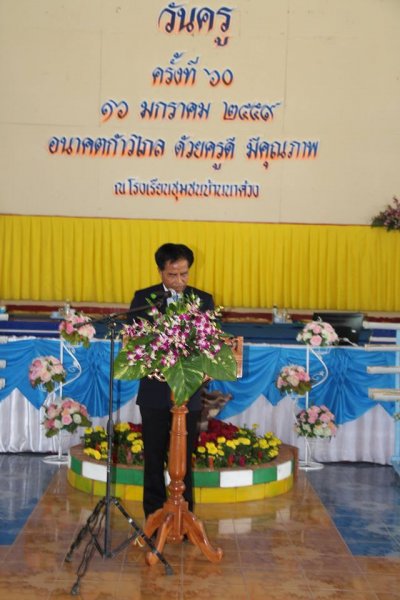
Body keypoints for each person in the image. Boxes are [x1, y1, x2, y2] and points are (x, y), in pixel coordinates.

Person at [129, 243, 214, 519]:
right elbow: (135, 344)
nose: (179, 281)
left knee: (183, 458)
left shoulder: (203, 300)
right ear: (160, 271)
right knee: (153, 457)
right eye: (172, 275)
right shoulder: (144, 298)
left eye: (184, 274)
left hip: (188, 393)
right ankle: (153, 517)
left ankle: (183, 517)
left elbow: (211, 343)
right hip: (154, 391)